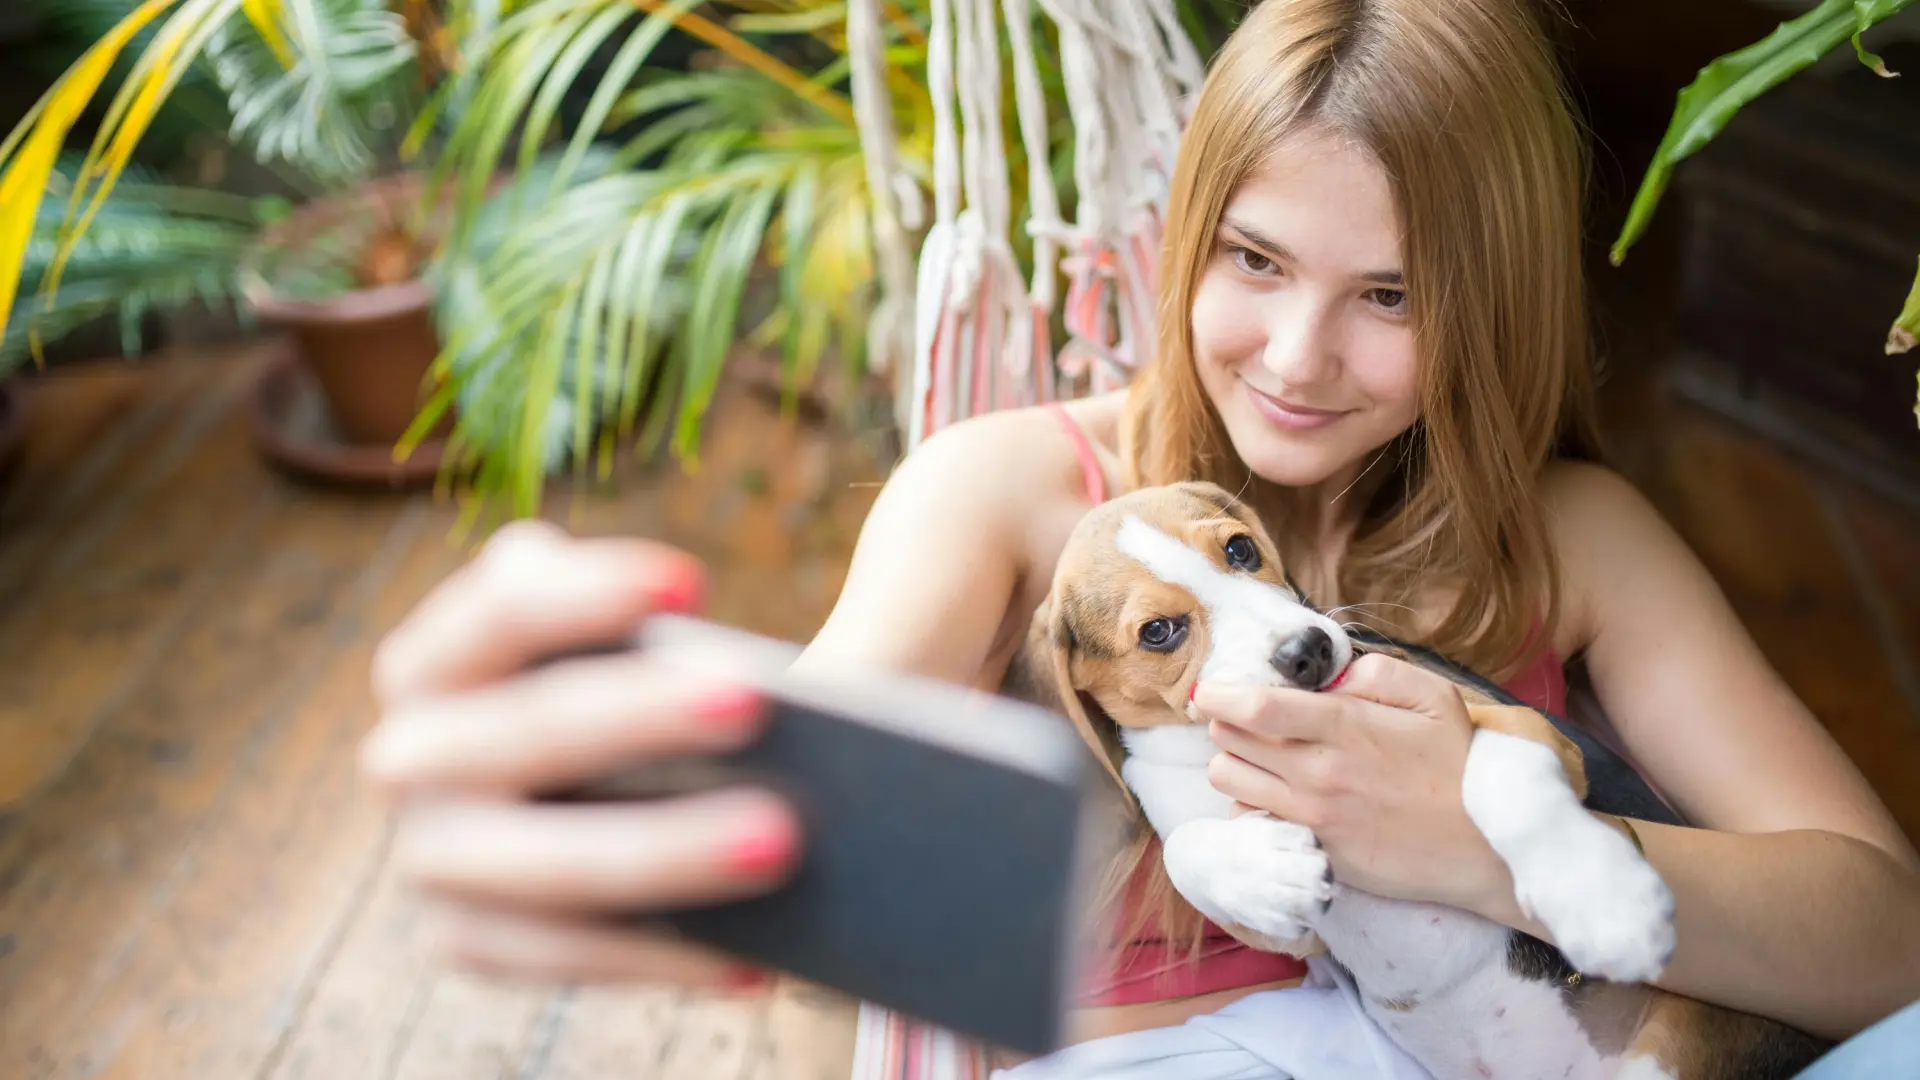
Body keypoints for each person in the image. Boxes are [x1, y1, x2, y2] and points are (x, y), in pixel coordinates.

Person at [359, 0, 1920, 1067]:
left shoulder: (1569, 534)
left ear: (1492, 309)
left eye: (1391, 295)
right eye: (1254, 258)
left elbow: (1886, 938)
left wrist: (1485, 844)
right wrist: (595, 783)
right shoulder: (1011, 500)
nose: (1298, 356)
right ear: (1180, 243)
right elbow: (788, 790)